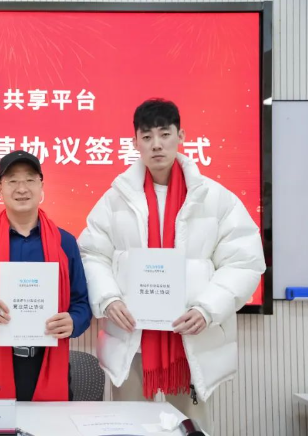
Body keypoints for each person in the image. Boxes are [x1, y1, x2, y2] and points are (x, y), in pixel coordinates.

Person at [78, 98, 266, 432]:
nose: (156, 144)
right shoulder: (115, 198)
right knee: (129, 428)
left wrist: (208, 308)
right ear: (135, 142)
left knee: (190, 428)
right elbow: (91, 254)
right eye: (147, 136)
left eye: (165, 134)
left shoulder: (214, 198)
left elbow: (244, 261)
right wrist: (109, 299)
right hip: (132, 340)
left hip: (191, 340)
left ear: (181, 136)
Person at [0, 150, 92, 401]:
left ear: (41, 186)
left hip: (48, 362)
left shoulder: (65, 243)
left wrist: (74, 321)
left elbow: (81, 303)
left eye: (29, 179)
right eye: (12, 180)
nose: (22, 188)